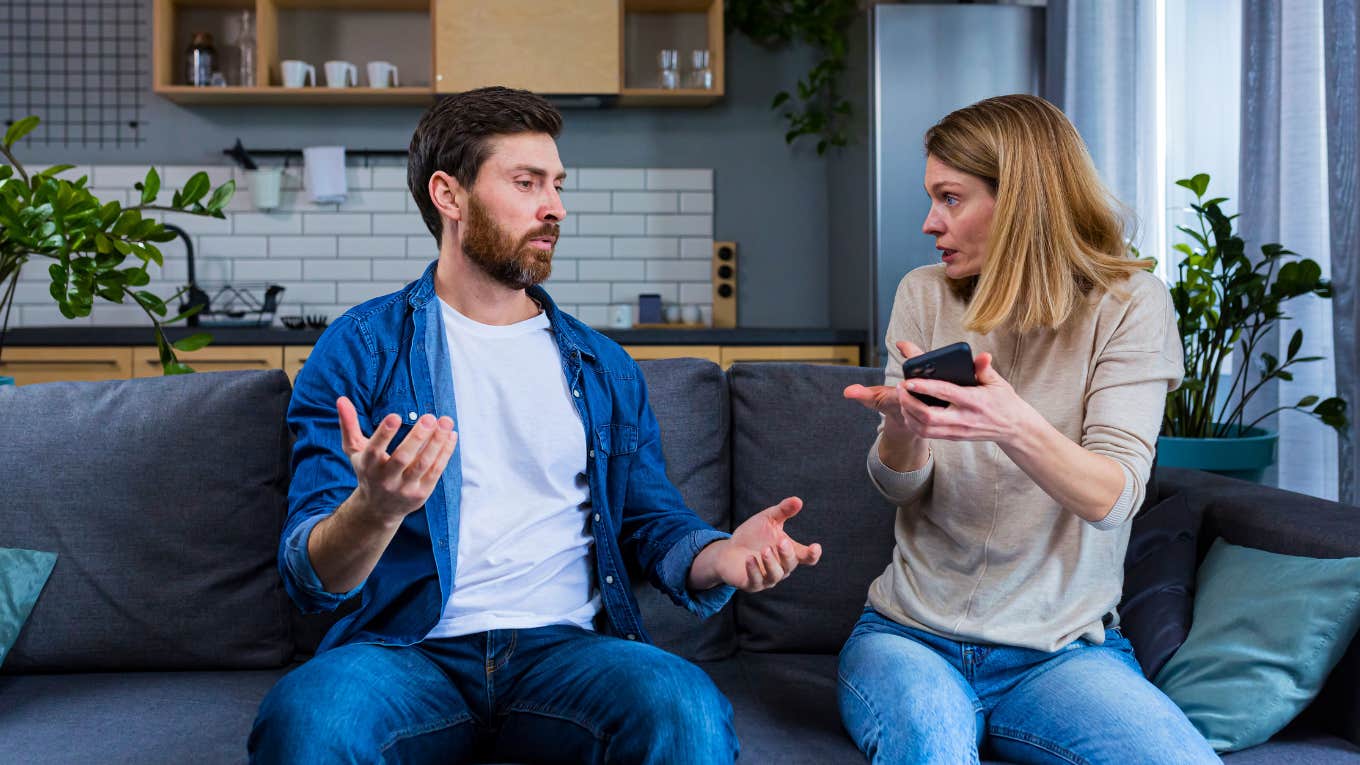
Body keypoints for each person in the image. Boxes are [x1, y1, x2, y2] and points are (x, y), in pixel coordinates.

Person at [249, 86, 822, 765]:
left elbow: (651, 521)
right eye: (527, 183)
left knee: (684, 705)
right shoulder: (360, 349)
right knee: (308, 718)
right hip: (404, 653)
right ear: (449, 195)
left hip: (568, 653)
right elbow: (308, 575)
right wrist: (374, 511)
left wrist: (719, 555)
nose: (556, 207)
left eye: (557, 184)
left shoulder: (602, 365)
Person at [838, 94, 1219, 764]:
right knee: (932, 747)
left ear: (1018, 200)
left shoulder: (1131, 305)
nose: (930, 222)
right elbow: (899, 487)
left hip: (1060, 654)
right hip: (908, 637)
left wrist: (1012, 423)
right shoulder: (924, 294)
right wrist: (904, 430)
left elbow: (1114, 495)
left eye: (950, 198)